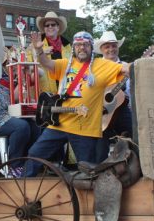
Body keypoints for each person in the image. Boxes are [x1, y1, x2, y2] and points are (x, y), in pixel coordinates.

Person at [25, 31, 129, 176]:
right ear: (74, 47)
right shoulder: (65, 64)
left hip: (84, 128)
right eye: (78, 44)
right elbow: (46, 63)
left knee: (87, 169)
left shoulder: (103, 65)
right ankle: (22, 191)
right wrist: (38, 49)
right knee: (34, 155)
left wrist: (138, 65)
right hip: (59, 123)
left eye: (85, 44)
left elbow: (125, 69)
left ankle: (87, 198)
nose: (82, 48)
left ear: (91, 47)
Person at [93, 31, 133, 162]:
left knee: (136, 135)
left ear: (117, 47)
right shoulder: (95, 67)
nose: (111, 49)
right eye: (107, 46)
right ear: (102, 49)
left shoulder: (127, 66)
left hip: (122, 110)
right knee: (99, 147)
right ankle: (98, 171)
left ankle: (136, 169)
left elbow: (131, 91)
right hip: (102, 112)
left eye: (113, 46)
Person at [32, 11, 72, 93]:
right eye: (47, 25)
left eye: (53, 24)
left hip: (65, 92)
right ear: (44, 29)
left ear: (58, 27)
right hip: (45, 93)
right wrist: (40, 52)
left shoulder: (68, 46)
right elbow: (30, 66)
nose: (50, 27)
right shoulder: (35, 45)